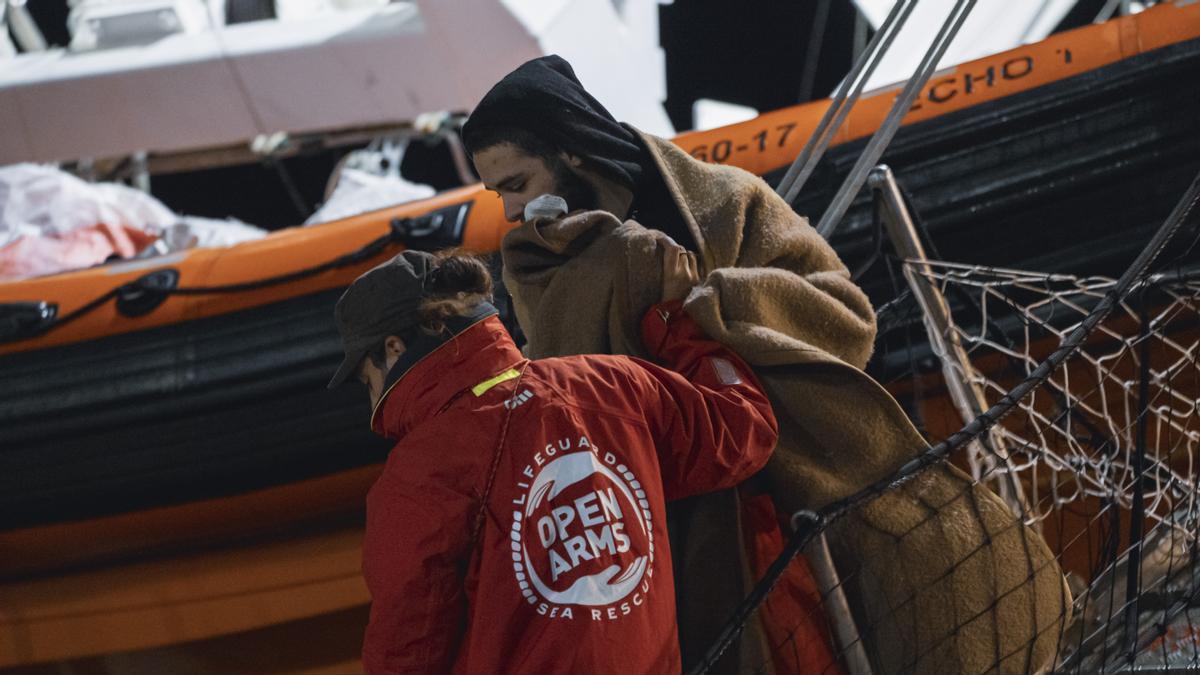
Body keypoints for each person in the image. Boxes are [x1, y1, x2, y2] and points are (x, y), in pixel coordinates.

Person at [461, 55, 1070, 675]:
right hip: (671, 523)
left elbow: (847, 315)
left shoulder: (725, 202)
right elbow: (563, 395)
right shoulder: (536, 264)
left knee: (903, 621)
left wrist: (712, 302)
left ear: (572, 152)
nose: (510, 212)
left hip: (803, 476)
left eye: (517, 184)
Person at [328, 247, 780, 674]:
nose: (373, 405)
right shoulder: (614, 384)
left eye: (368, 383)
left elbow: (408, 652)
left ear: (393, 349)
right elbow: (746, 428)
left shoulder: (417, 474)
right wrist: (676, 323)